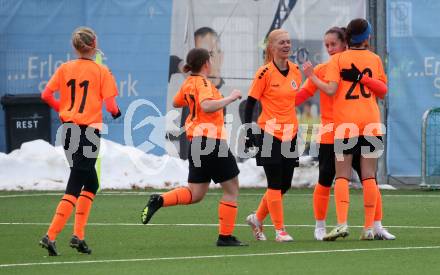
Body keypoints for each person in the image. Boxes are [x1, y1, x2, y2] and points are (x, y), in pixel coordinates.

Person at [297, 26, 395, 241]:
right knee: (325, 179)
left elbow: (332, 89)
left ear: (345, 42)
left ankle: (375, 225)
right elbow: (302, 94)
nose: (330, 49)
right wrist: (283, 102)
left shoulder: (344, 62)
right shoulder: (327, 67)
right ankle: (320, 226)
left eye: (334, 44)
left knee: (368, 178)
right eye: (327, 45)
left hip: (346, 128)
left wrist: (310, 76)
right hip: (332, 131)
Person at [141, 48, 246, 247]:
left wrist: (194, 92)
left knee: (196, 193)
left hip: (196, 143)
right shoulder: (204, 83)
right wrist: (230, 98)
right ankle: (225, 236)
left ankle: (160, 200)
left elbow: (176, 101)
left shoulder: (189, 83)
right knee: (232, 189)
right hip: (211, 141)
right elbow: (206, 106)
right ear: (206, 64)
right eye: (210, 60)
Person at [39, 27, 121, 256]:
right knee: (76, 183)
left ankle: (78, 237)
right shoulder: (101, 71)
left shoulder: (65, 68)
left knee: (90, 183)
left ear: (75, 47)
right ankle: (51, 235)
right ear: (94, 43)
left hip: (68, 130)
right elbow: (112, 106)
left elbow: (46, 95)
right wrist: (116, 113)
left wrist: (63, 110)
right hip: (88, 133)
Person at [244, 29, 302, 242]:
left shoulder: (296, 71)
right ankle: (280, 231)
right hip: (268, 133)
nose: (286, 45)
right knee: (275, 183)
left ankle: (257, 218)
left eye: (288, 42)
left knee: (285, 184)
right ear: (271, 47)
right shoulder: (264, 72)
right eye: (281, 43)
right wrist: (249, 131)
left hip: (290, 133)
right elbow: (250, 103)